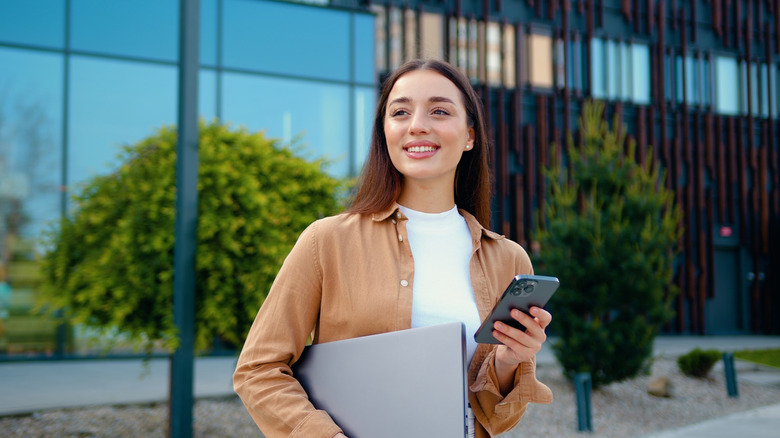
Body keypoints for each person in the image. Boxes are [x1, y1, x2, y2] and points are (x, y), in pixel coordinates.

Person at [233, 58, 553, 438]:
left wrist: (508, 359)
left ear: (469, 135)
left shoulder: (508, 259)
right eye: (400, 111)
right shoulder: (326, 241)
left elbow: (495, 418)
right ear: (385, 131)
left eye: (438, 110)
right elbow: (259, 370)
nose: (417, 124)